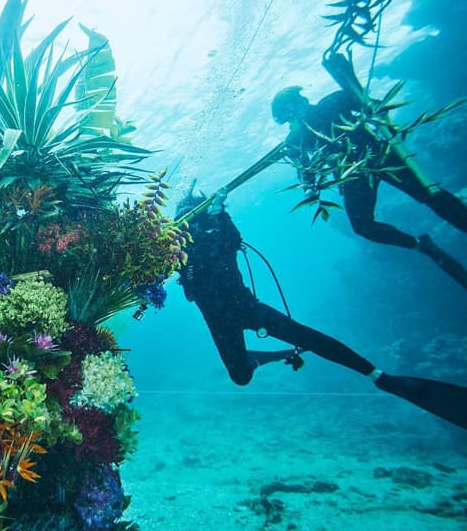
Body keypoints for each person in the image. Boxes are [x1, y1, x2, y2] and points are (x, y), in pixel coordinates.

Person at [176, 185, 467, 429]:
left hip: (246, 307)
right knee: (240, 376)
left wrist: (221, 213)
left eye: (192, 214)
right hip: (218, 320)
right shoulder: (176, 246)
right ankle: (276, 355)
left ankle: (379, 376)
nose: (189, 222)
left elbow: (233, 242)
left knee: (308, 336)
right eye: (184, 218)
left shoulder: (217, 230)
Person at [271, 86, 467, 288]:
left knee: (430, 196)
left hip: (380, 158)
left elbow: (373, 105)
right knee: (363, 226)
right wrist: (309, 187)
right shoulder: (295, 139)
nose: (293, 116)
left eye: (292, 109)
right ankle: (421, 246)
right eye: (287, 115)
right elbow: (304, 169)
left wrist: (372, 106)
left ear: (300, 102)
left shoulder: (334, 101)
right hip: (354, 176)